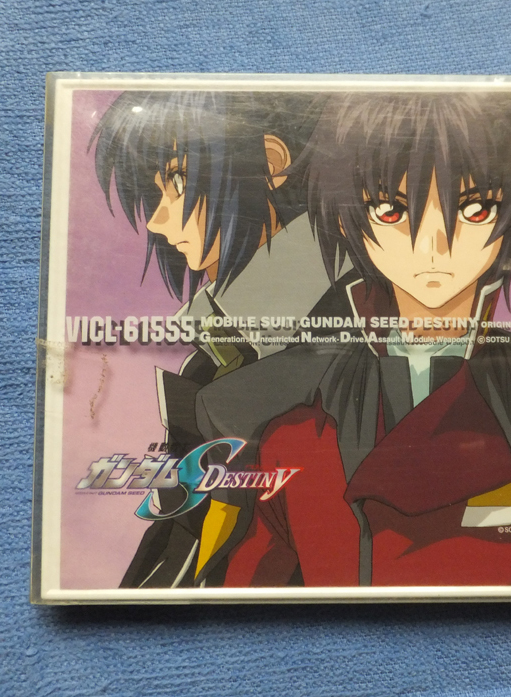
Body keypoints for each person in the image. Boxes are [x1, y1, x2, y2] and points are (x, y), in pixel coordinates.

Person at [194, 91, 511, 588]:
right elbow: (246, 598)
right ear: (347, 220)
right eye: (392, 210)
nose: (434, 245)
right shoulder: (282, 419)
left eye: (474, 208)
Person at [90, 90, 348, 587]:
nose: (158, 221)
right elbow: (179, 547)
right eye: (155, 191)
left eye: (178, 182)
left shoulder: (350, 331)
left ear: (270, 164)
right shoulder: (216, 349)